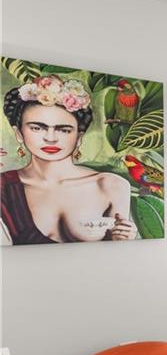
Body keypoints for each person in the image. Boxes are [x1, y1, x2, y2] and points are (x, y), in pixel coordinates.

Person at [1, 75, 137, 244]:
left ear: (79, 137)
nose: (50, 138)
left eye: (64, 130)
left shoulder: (111, 185)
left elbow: (118, 254)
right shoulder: (3, 187)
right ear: (19, 133)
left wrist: (125, 238)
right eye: (37, 128)